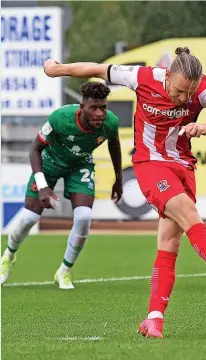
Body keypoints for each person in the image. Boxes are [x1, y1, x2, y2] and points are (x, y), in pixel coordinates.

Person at [42, 47, 206, 339]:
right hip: (151, 165)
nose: (182, 98)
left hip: (184, 167)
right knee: (189, 214)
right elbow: (97, 68)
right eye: (177, 91)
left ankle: (154, 320)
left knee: (169, 243)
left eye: (188, 93)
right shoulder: (142, 77)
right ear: (168, 76)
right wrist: (58, 69)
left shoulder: (201, 88)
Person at [0, 82, 123, 289]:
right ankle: (8, 256)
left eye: (103, 107)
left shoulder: (110, 123)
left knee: (84, 217)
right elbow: (34, 150)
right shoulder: (60, 118)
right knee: (29, 218)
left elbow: (114, 144)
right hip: (50, 162)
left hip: (81, 164)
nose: (100, 113)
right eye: (94, 108)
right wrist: (42, 185)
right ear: (81, 106)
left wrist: (118, 179)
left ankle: (64, 270)